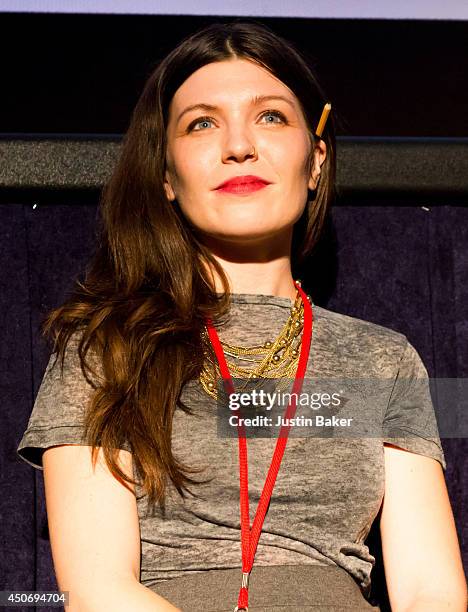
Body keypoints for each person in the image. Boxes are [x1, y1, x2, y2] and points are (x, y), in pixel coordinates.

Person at [16, 20, 467, 612]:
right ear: (166, 177)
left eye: (271, 117)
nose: (238, 145)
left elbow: (428, 592)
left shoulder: (383, 361)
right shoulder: (104, 349)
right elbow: (98, 590)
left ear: (315, 162)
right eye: (202, 123)